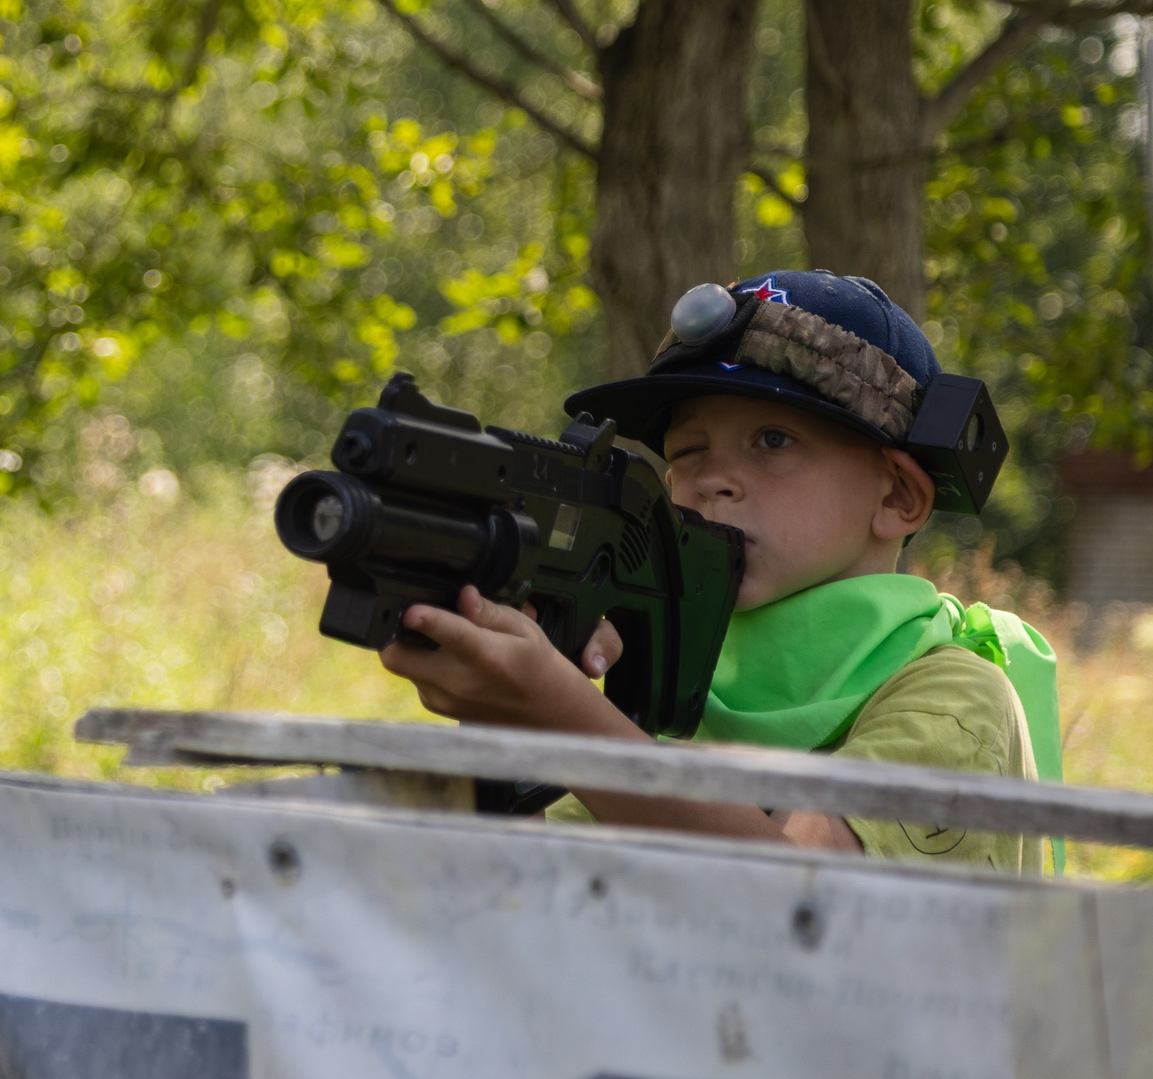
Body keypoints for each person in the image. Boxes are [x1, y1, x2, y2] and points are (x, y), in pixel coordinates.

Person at [383, 270, 1061, 872]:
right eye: (688, 450)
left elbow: (797, 895)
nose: (713, 480)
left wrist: (568, 720)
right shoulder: (676, 680)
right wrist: (514, 713)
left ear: (897, 497)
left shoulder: (954, 695)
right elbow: (517, 879)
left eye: (773, 440)